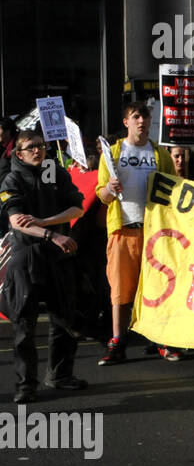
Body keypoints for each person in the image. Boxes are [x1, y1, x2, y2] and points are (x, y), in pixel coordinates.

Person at [1, 130, 85, 403]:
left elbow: (77, 208)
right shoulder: (11, 179)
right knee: (25, 324)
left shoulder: (55, 171)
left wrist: (43, 222)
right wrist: (52, 233)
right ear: (19, 153)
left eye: (41, 146)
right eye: (30, 147)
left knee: (64, 318)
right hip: (26, 257)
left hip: (57, 256)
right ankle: (26, 385)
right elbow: (16, 222)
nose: (38, 151)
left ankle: (60, 374)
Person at [95, 100, 179, 365]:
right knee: (120, 291)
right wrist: (109, 187)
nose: (142, 122)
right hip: (123, 230)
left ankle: (162, 339)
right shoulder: (114, 152)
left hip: (156, 232)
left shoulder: (160, 153)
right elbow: (102, 196)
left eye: (145, 117)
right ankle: (118, 341)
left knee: (159, 287)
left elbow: (173, 190)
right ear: (126, 122)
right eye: (136, 117)